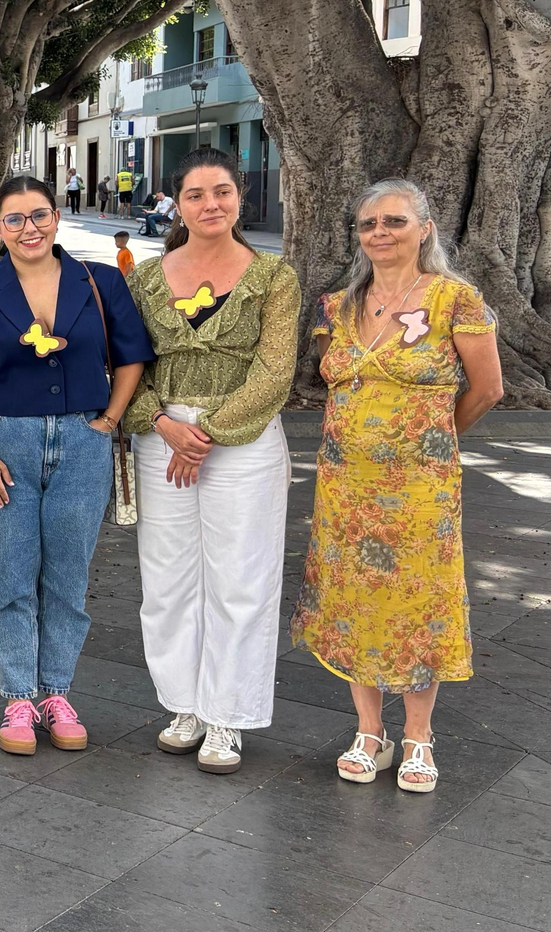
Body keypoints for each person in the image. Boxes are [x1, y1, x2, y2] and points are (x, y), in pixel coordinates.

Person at [293, 179, 502, 794]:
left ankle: (417, 736)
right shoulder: (336, 306)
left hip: (419, 488)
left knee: (417, 599)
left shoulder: (454, 300)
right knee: (355, 599)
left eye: (394, 221)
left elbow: (487, 389)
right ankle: (367, 730)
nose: (380, 233)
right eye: (369, 225)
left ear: (425, 228)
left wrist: (433, 438)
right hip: (344, 485)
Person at [0, 175, 153, 756]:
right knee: (11, 576)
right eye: (14, 219)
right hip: (5, 441)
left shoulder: (101, 281)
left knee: (67, 578)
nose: (28, 228)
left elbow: (132, 355)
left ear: (57, 218)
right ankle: (17, 696)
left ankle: (56, 693)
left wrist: (109, 420)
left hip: (84, 441)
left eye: (38, 215)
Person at [121, 148, 302, 775]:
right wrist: (166, 426)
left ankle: (228, 714)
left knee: (241, 580)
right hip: (162, 436)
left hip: (244, 443)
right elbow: (127, 365)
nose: (210, 205)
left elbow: (276, 368)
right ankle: (184, 703)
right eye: (196, 194)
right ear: (178, 201)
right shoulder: (144, 278)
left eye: (221, 192)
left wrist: (211, 434)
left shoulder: (273, 276)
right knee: (167, 579)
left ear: (240, 197)